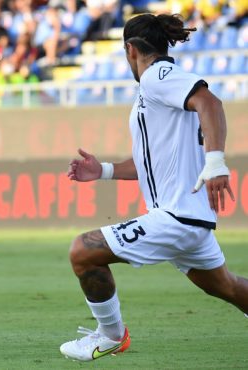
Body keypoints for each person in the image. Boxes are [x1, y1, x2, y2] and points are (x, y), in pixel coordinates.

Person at [60, 13, 248, 362]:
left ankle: (111, 336)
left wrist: (216, 162)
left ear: (130, 49)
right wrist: (102, 170)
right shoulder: (158, 90)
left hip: (177, 217)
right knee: (228, 286)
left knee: (82, 251)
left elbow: (211, 103)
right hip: (188, 219)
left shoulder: (157, 77)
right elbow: (152, 161)